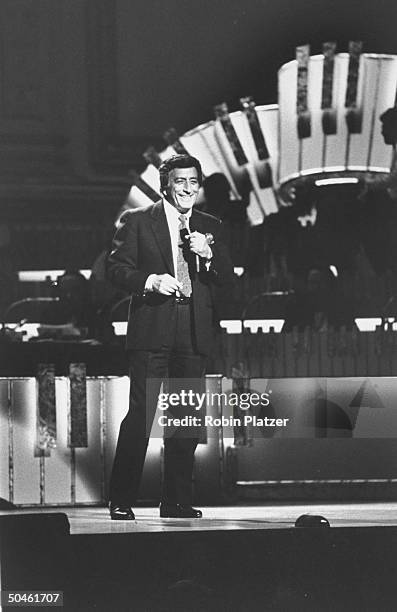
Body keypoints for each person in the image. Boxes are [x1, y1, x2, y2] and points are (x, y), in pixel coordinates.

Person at [107, 154, 234, 520]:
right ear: (166, 184)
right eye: (180, 182)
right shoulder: (137, 221)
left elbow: (226, 278)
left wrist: (208, 254)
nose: (188, 189)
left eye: (194, 182)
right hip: (152, 327)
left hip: (193, 331)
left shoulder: (210, 224)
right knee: (141, 416)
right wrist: (150, 281)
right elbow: (115, 268)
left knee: (186, 420)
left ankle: (176, 501)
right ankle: (121, 498)